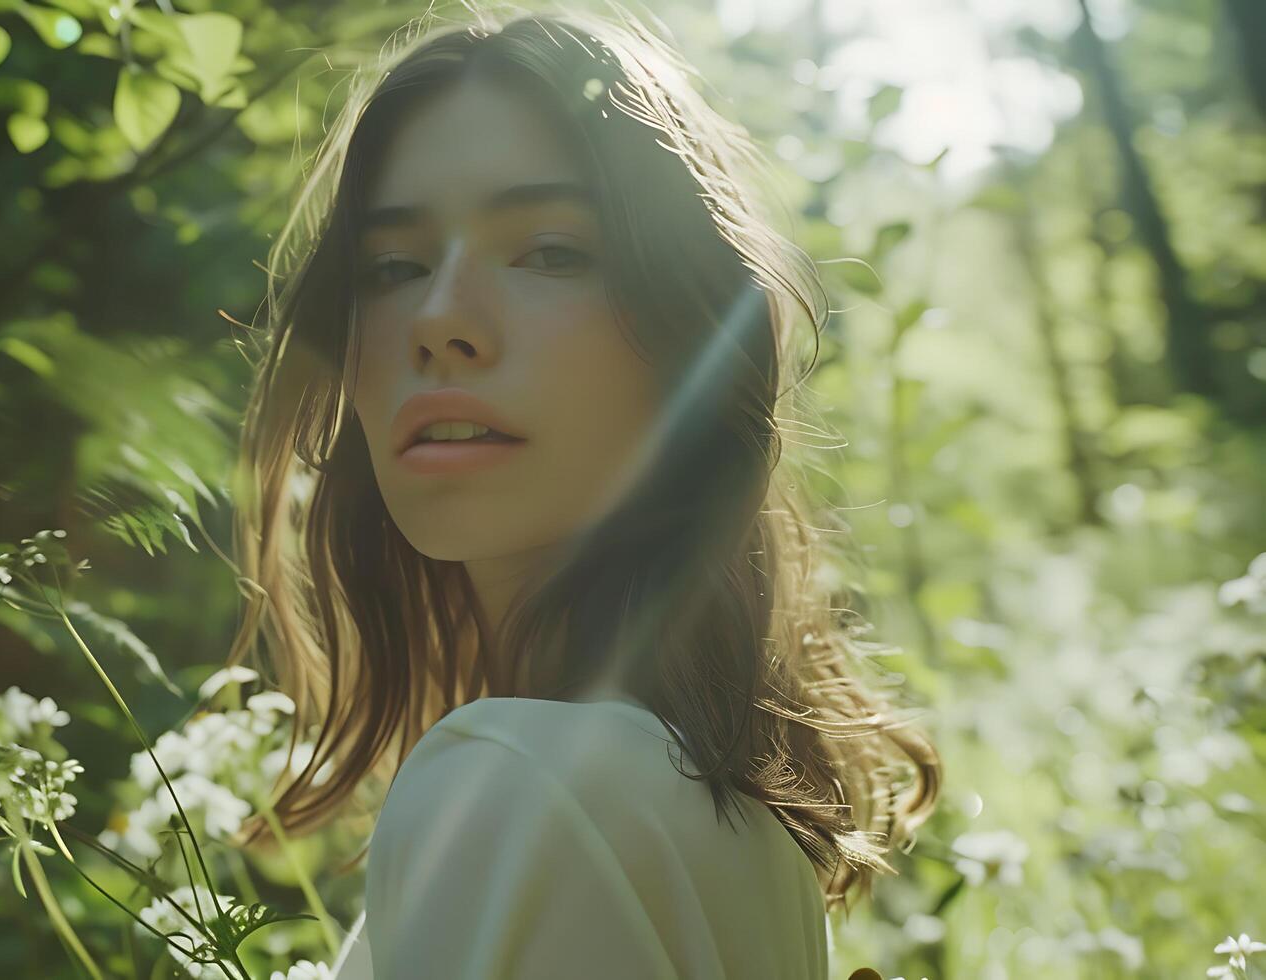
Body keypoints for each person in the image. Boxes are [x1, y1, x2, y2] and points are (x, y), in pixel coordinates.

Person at [219, 2, 944, 977]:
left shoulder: (519, 787)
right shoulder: (725, 812)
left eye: (550, 251)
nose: (439, 320)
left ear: (688, 337)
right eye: (393, 266)